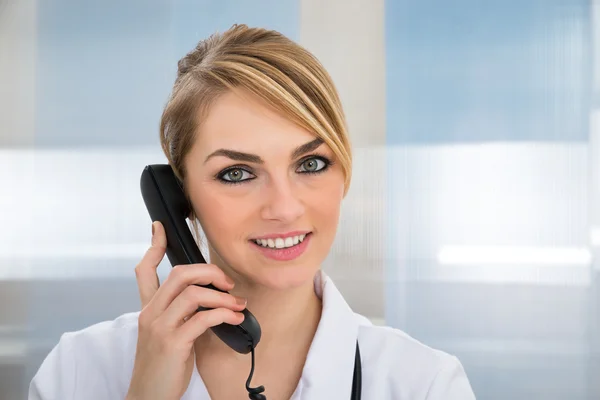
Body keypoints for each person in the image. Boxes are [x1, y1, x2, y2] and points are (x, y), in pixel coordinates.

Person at [28, 24, 476, 400]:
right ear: (179, 199)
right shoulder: (78, 372)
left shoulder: (425, 383)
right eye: (238, 173)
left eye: (311, 164)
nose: (284, 207)